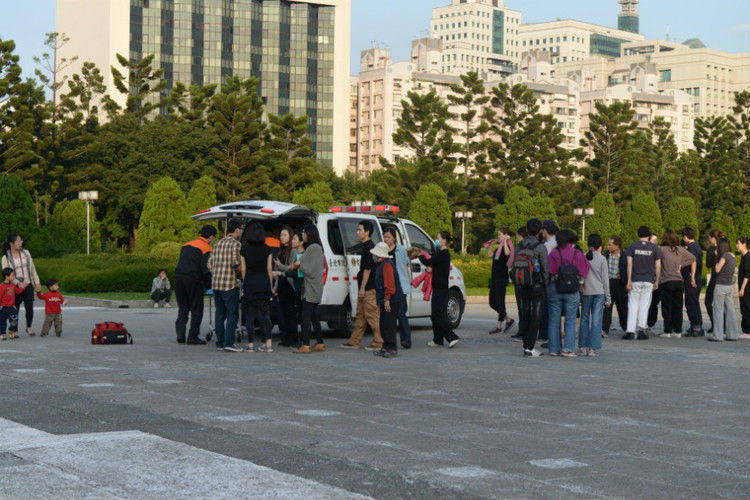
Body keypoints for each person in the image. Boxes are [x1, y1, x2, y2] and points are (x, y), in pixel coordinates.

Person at [547, 229, 590, 357]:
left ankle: (553, 349)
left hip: (555, 287)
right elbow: (585, 270)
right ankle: (567, 349)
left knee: (554, 319)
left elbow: (547, 270)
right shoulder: (577, 253)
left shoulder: (553, 253)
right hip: (572, 289)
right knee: (571, 319)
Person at [341, 220, 383, 351]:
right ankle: (355, 341)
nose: (357, 232)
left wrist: (363, 288)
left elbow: (367, 269)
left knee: (372, 316)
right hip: (364, 287)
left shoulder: (369, 248)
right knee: (360, 315)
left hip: (369, 288)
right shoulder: (366, 247)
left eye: (360, 230)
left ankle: (379, 341)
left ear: (367, 232)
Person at [207, 218, 245, 352]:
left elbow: (209, 264)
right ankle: (229, 342)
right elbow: (235, 264)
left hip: (216, 285)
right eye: (241, 228)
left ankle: (220, 343)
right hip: (229, 285)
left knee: (220, 314)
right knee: (232, 314)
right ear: (236, 229)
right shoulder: (236, 245)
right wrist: (241, 271)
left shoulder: (217, 244)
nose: (242, 231)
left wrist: (217, 273)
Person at [175, 225, 216, 345]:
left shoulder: (186, 245)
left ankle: (180, 334)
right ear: (211, 236)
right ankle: (193, 337)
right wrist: (209, 285)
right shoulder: (206, 248)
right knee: (196, 309)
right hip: (193, 279)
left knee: (183, 308)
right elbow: (205, 269)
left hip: (179, 278)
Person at [513, 220, 548, 356]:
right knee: (535, 317)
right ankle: (530, 347)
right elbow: (545, 268)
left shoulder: (520, 245)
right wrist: (546, 285)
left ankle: (525, 345)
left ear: (526, 230)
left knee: (525, 315)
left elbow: (515, 264)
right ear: (540, 231)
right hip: (537, 286)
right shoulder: (540, 247)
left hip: (522, 285)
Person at [419, 230, 460, 348]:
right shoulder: (441, 253)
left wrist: (419, 255)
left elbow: (428, 261)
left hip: (441, 288)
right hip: (437, 287)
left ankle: (452, 337)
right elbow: (438, 266)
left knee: (439, 314)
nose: (436, 240)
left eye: (438, 238)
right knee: (434, 315)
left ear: (444, 240)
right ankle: (438, 340)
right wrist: (432, 270)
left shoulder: (443, 253)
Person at [290, 225, 326, 353]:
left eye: (304, 232)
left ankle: (306, 344)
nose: (303, 235)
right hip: (315, 286)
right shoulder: (317, 247)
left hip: (311, 287)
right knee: (313, 316)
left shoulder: (312, 248)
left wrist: (297, 265)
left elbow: (304, 266)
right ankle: (320, 343)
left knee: (305, 315)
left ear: (309, 234)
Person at [240, 222, 275, 353]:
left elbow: (243, 269)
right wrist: (270, 285)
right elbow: (269, 269)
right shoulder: (267, 249)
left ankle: (250, 345)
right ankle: (269, 343)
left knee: (250, 314)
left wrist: (245, 282)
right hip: (264, 282)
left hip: (250, 281)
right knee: (265, 313)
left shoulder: (244, 249)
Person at [624, 226, 662, 340]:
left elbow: (629, 265)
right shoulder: (654, 248)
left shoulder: (632, 246)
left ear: (638, 234)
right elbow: (658, 266)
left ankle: (630, 331)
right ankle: (641, 330)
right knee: (645, 305)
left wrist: (629, 280)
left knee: (632, 305)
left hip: (635, 278)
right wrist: (657, 280)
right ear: (648, 235)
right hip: (648, 279)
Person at [658, 230, 696, 338]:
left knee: (667, 307)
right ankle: (678, 331)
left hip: (666, 281)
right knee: (678, 308)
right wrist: (681, 264)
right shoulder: (680, 250)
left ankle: (668, 331)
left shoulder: (662, 250)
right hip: (679, 282)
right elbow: (693, 259)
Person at [2, 233, 41, 336]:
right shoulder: (6, 257)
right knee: (15, 309)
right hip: (15, 287)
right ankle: (14, 329)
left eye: (21, 241)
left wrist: (37, 282)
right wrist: (18, 283)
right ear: (11, 243)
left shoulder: (26, 253)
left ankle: (28, 327)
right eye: (18, 242)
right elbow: (6, 273)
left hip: (28, 284)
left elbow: (32, 269)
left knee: (29, 307)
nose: (20, 243)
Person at [371, 241, 406, 358]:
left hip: (392, 299)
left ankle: (392, 348)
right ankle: (385, 346)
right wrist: (379, 302)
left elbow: (389, 285)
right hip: (386, 299)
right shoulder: (381, 264)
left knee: (389, 324)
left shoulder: (386, 265)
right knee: (383, 324)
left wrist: (386, 300)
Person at [578, 234, 610, 356]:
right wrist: (608, 297)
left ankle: (582, 347)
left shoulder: (583, 257)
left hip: (586, 292)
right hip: (599, 293)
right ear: (600, 245)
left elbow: (581, 276)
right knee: (596, 321)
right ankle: (593, 348)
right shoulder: (602, 259)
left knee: (584, 319)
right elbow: (605, 280)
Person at [383, 227, 412, 349]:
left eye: (389, 237)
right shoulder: (382, 250)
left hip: (400, 286)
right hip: (388, 286)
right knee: (389, 316)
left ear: (394, 238)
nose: (386, 239)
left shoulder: (401, 250)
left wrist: (408, 282)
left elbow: (405, 267)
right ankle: (388, 341)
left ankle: (406, 340)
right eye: (385, 237)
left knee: (401, 313)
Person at [273, 227, 301, 348]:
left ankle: (293, 339)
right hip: (281, 284)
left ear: (290, 236)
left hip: (290, 285)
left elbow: (292, 268)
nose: (282, 237)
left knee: (290, 313)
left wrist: (280, 266)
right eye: (280, 235)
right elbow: (277, 270)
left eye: (284, 235)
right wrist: (275, 287)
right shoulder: (281, 250)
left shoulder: (293, 251)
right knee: (281, 313)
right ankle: (285, 338)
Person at [486, 228, 515, 335]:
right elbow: (490, 256)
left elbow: (507, 254)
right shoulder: (498, 249)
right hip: (494, 278)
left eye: (499, 235)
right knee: (492, 303)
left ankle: (499, 326)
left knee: (500, 302)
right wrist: (491, 245)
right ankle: (508, 320)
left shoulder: (508, 247)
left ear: (505, 235)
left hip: (501, 278)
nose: (498, 236)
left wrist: (505, 242)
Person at [709, 237, 738, 342]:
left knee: (718, 310)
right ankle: (732, 334)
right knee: (730, 310)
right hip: (729, 286)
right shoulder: (733, 256)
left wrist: (717, 257)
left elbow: (717, 269)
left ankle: (718, 336)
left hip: (720, 285)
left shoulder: (724, 256)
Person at [537, 220, 558, 346]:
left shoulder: (547, 245)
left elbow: (543, 263)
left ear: (544, 230)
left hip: (548, 278)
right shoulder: (559, 242)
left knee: (546, 308)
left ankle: (545, 335)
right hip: (560, 279)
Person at [602, 235, 628, 337]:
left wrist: (624, 278)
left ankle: (626, 328)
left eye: (610, 244)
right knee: (607, 307)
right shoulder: (606, 254)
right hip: (608, 283)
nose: (608, 246)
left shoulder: (624, 255)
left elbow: (627, 268)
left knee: (622, 307)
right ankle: (604, 329)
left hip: (620, 284)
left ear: (617, 246)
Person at [682, 227, 705, 337]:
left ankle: (696, 327)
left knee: (691, 303)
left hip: (692, 279)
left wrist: (692, 278)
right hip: (698, 278)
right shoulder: (697, 246)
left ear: (685, 237)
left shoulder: (691, 248)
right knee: (694, 302)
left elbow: (693, 261)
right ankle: (696, 326)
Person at [704, 229, 725, 334]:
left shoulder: (711, 250)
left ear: (713, 239)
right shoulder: (726, 250)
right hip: (724, 278)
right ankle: (724, 325)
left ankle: (714, 324)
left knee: (708, 302)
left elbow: (708, 264)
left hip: (714, 278)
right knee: (722, 304)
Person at [0, 267, 28, 341]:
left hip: (12, 307)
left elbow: (18, 292)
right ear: (7, 276)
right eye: (12, 275)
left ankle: (11, 330)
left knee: (14, 320)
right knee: (2, 321)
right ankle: (2, 333)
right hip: (3, 307)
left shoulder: (12, 285)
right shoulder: (1, 286)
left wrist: (23, 287)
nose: (14, 277)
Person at [645, 233, 662, 335]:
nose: (656, 242)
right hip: (647, 280)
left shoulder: (659, 251)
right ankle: (644, 324)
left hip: (657, 280)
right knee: (646, 304)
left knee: (654, 304)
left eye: (656, 240)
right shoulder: (646, 251)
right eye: (653, 240)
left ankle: (651, 324)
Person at [737, 237, 750, 338]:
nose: (737, 246)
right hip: (744, 287)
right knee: (744, 308)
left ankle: (747, 331)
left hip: (746, 288)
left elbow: (747, 274)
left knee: (746, 308)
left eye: (738, 244)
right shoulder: (743, 256)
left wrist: (742, 288)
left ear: (744, 244)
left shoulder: (747, 257)